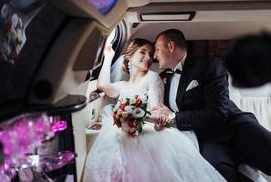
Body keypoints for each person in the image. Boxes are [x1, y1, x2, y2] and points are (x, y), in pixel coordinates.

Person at [83, 38, 225, 182]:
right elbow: (103, 85)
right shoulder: (123, 85)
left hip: (147, 127)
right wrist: (108, 56)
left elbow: (155, 111)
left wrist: (134, 117)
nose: (149, 58)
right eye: (143, 52)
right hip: (124, 128)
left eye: (151, 54)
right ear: (129, 55)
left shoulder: (153, 78)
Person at [153, 29, 271, 181]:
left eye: (157, 49)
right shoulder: (163, 80)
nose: (155, 56)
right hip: (209, 139)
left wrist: (174, 117)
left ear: (171, 46)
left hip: (235, 126)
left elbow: (218, 112)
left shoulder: (209, 65)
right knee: (216, 175)